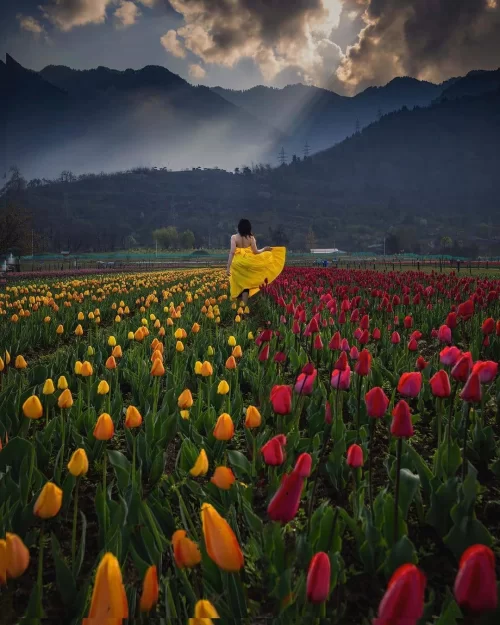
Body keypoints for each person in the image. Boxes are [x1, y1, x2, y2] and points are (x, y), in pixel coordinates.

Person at [226, 219, 286, 306]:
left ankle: (239, 308)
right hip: (248, 262)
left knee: (240, 284)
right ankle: (244, 308)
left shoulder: (234, 237)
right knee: (246, 285)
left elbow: (232, 252)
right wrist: (264, 249)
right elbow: (256, 252)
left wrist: (228, 267)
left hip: (238, 263)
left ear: (239, 227)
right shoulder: (251, 238)